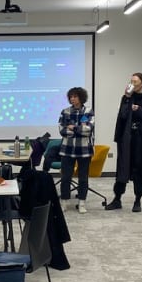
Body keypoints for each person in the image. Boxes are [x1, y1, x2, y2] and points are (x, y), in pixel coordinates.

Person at [106, 73, 142, 213]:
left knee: (139, 169)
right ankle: (117, 199)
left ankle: (137, 200)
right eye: (131, 81)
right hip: (127, 138)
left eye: (135, 82)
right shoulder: (126, 98)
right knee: (123, 168)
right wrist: (127, 99)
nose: (132, 84)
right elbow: (123, 116)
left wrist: (139, 110)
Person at [57, 86, 95, 214]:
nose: (72, 99)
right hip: (67, 149)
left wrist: (73, 128)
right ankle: (64, 202)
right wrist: (79, 129)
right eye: (71, 97)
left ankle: (82, 202)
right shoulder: (65, 111)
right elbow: (62, 130)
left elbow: (88, 130)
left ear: (81, 97)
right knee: (65, 177)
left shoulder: (89, 111)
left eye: (75, 96)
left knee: (83, 178)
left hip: (84, 150)